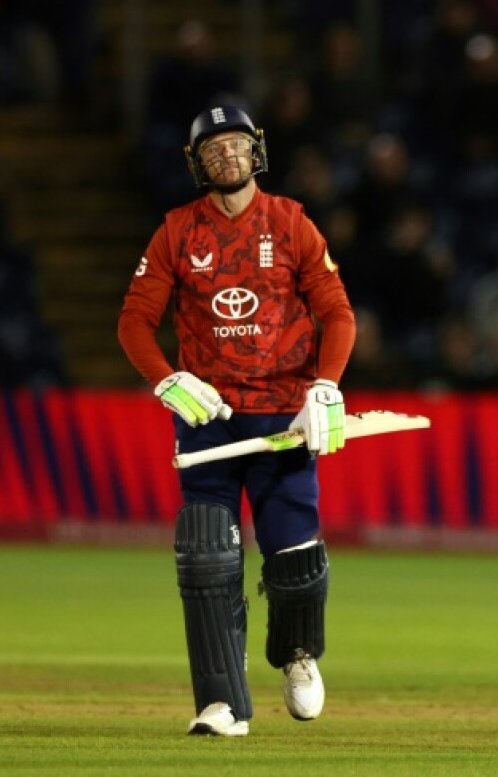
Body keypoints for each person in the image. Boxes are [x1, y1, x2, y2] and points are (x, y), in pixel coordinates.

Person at [117, 104, 357, 737]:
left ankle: (298, 656)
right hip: (211, 417)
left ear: (258, 151)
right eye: (213, 149)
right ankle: (222, 701)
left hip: (282, 414)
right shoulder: (176, 230)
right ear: (196, 163)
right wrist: (166, 379)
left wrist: (325, 386)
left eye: (237, 145)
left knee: (292, 553)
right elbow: (134, 321)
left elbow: (337, 312)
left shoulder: (291, 221)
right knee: (206, 556)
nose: (227, 156)